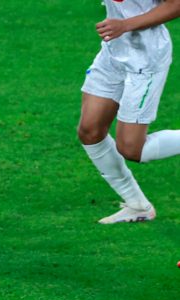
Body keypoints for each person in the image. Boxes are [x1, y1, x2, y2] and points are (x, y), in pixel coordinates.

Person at [77, 0, 180, 224]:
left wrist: (126, 25)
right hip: (113, 52)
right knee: (90, 130)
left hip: (146, 59)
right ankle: (137, 206)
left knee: (132, 148)